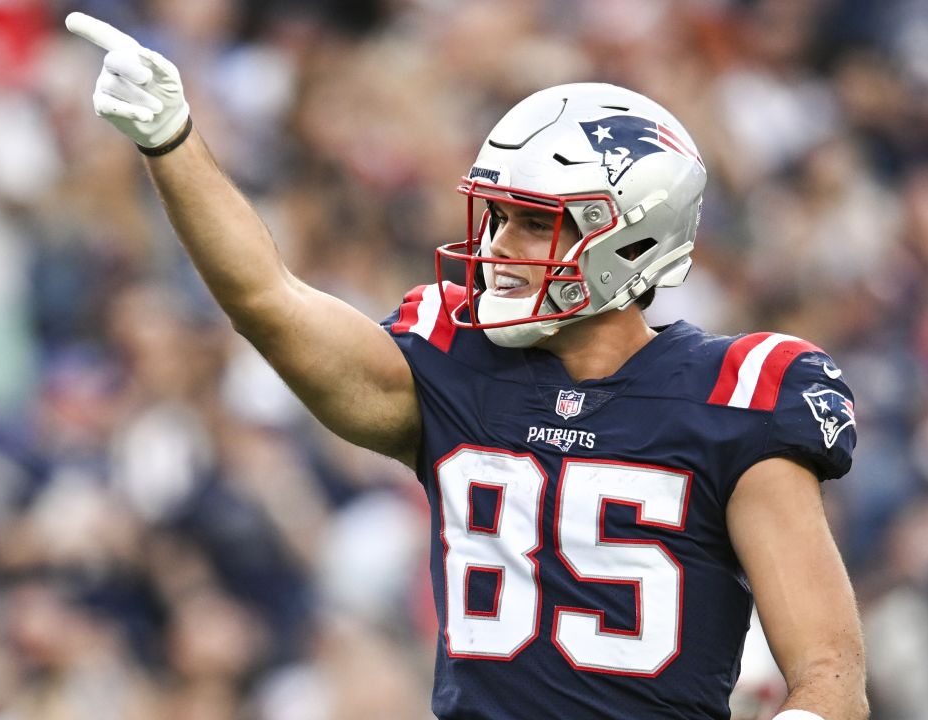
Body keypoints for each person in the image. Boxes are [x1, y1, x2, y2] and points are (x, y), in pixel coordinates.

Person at [66, 12, 868, 720]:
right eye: (496, 216)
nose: (496, 249)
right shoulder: (454, 364)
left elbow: (830, 678)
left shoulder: (737, 399)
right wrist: (171, 141)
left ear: (629, 238)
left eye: (532, 225)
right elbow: (269, 300)